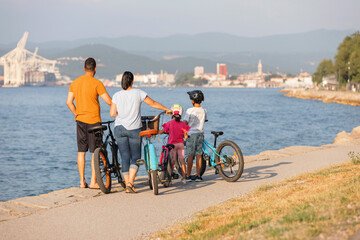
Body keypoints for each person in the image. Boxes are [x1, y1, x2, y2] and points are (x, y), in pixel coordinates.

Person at [110, 71, 172, 193]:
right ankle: (130, 184)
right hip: (134, 129)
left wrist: (122, 115)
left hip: (119, 128)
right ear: (132, 81)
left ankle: (128, 184)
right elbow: (153, 103)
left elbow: (112, 113)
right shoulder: (138, 93)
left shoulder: (116, 95)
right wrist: (166, 109)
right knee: (136, 157)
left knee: (124, 157)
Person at [66, 57, 112, 188]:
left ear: (84, 68)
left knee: (81, 152)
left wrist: (77, 114)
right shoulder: (97, 83)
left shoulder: (74, 83)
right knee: (95, 151)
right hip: (94, 122)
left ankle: (82, 182)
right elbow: (108, 101)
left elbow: (69, 102)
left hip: (80, 121)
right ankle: (93, 182)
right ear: (95, 69)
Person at [159, 104, 190, 185]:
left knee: (171, 162)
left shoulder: (169, 123)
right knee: (182, 161)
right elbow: (185, 136)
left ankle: (169, 178)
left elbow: (161, 131)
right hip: (181, 145)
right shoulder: (183, 124)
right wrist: (185, 136)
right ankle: (184, 179)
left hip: (172, 145)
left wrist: (156, 132)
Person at [183, 90, 207, 182]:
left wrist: (184, 133)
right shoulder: (204, 110)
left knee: (190, 156)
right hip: (200, 134)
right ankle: (198, 176)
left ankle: (188, 175)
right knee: (198, 156)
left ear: (193, 100)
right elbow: (204, 120)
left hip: (191, 135)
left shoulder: (190, 110)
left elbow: (185, 123)